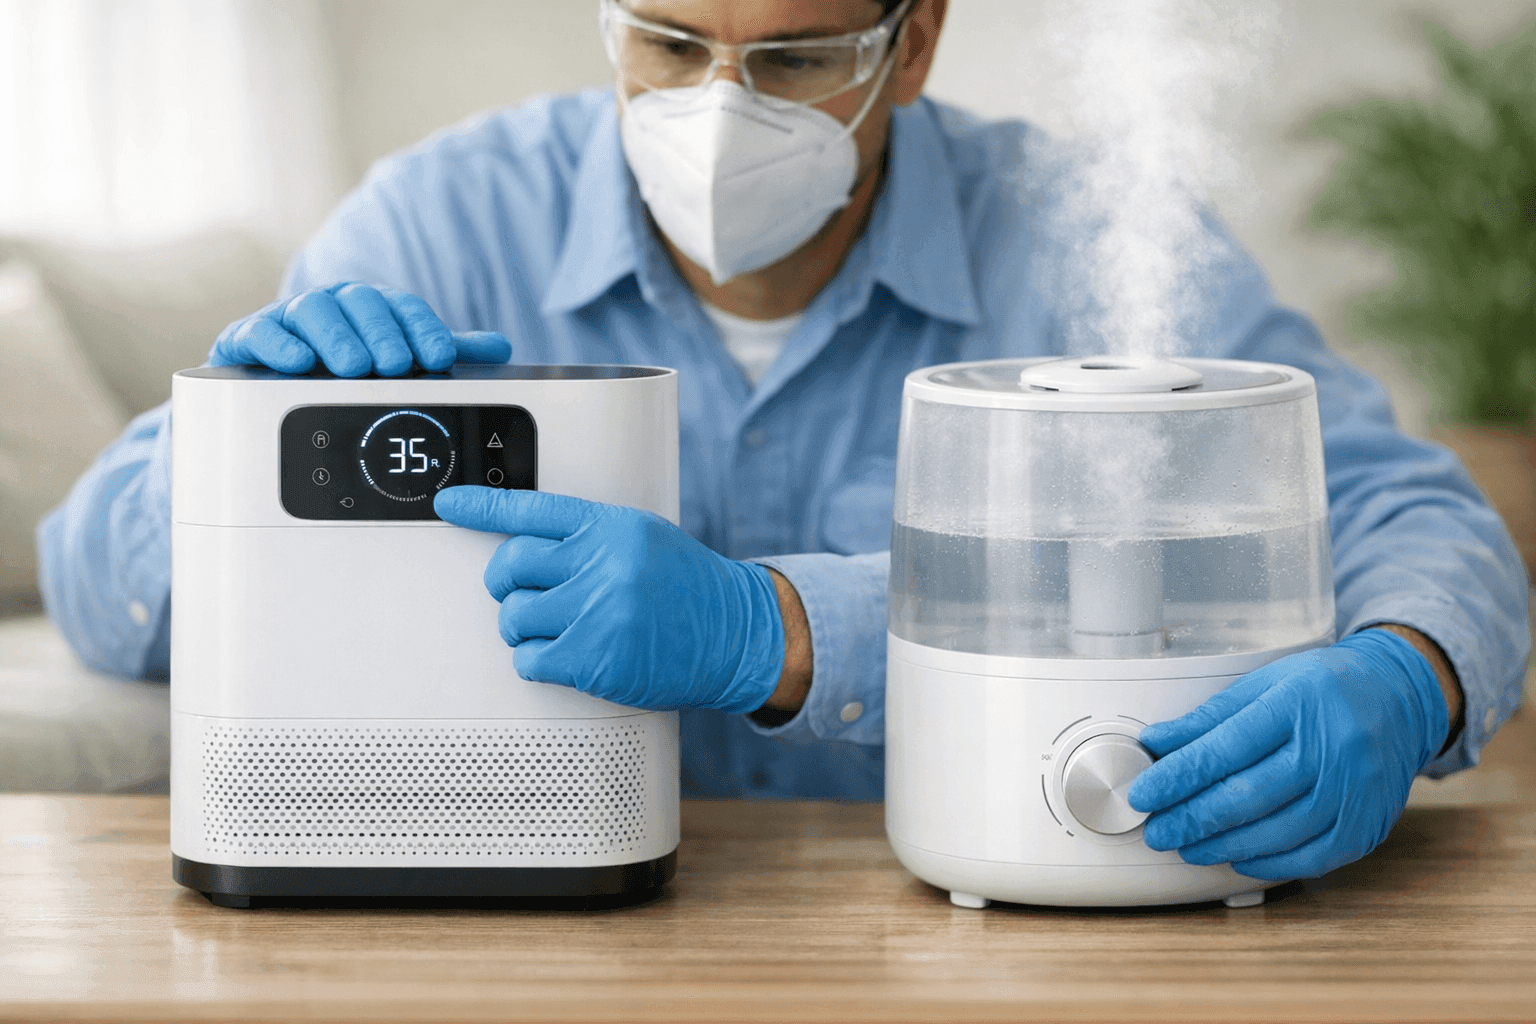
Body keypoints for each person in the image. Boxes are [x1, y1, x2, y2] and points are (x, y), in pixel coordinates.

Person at [38, 0, 1529, 883]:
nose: (715, 110)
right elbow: (92, 587)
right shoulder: (444, 217)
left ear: (916, 39)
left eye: (797, 56)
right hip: (533, 935)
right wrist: (231, 451)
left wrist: (1408, 672)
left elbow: (1407, 508)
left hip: (991, 928)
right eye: (670, 41)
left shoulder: (1083, 242)